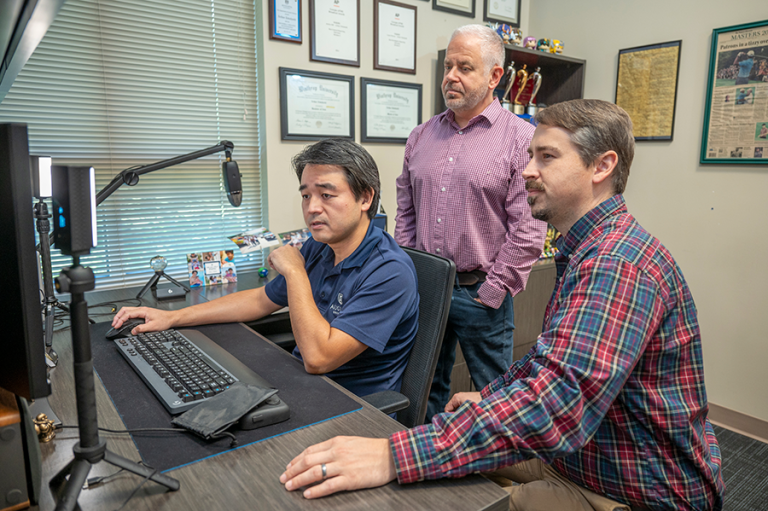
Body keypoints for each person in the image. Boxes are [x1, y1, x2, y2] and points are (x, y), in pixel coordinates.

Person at [281, 99, 725, 511]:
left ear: (602, 166)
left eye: (546, 157)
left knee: (435, 487)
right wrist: (490, 395)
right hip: (585, 451)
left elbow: (554, 410)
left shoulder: (617, 265)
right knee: (432, 462)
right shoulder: (590, 248)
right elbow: (550, 361)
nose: (526, 171)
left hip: (636, 481)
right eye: (530, 156)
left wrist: (392, 455)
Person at [112, 138, 419, 398]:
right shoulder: (321, 246)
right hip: (304, 384)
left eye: (326, 195)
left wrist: (295, 271)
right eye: (306, 195)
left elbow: (318, 358)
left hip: (349, 404)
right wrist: (173, 317)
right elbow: (260, 299)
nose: (312, 207)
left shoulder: (390, 272)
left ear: (365, 197)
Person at [394, 24, 546, 420]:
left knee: (496, 396)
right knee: (423, 385)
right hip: (426, 287)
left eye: (465, 67)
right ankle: (424, 460)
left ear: (495, 76)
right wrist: (410, 271)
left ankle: (498, 479)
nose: (451, 76)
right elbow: (406, 210)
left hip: (481, 292)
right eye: (448, 65)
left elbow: (528, 229)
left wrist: (492, 293)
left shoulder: (520, 138)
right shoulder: (421, 136)